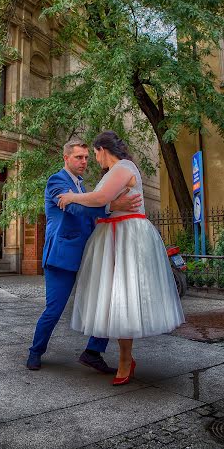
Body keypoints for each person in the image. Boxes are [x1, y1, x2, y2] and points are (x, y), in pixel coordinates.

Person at [57, 131, 185, 386]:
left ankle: (126, 359)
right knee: (114, 298)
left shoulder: (124, 167)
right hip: (114, 234)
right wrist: (111, 205)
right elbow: (105, 204)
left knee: (124, 296)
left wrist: (72, 196)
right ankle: (122, 357)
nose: (94, 160)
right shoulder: (113, 173)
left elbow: (99, 198)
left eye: (94, 154)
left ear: (102, 149)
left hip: (127, 236)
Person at [26, 139, 142, 372]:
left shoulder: (81, 187)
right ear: (66, 158)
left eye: (87, 157)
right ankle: (35, 351)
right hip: (62, 256)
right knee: (54, 309)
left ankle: (93, 352)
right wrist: (112, 205)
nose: (84, 162)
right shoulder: (56, 181)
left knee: (105, 304)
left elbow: (90, 212)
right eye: (79, 157)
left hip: (89, 255)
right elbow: (75, 208)